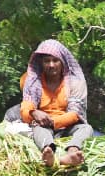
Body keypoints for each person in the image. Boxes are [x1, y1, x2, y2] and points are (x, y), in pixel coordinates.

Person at [19, 39, 93, 167]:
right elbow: (26, 108)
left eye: (55, 60)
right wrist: (33, 112)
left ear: (62, 62)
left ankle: (72, 152)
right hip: (43, 126)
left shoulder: (75, 82)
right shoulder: (32, 81)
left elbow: (75, 114)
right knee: (39, 130)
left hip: (68, 126)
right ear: (41, 63)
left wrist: (53, 122)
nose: (51, 65)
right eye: (47, 61)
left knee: (86, 129)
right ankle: (48, 153)